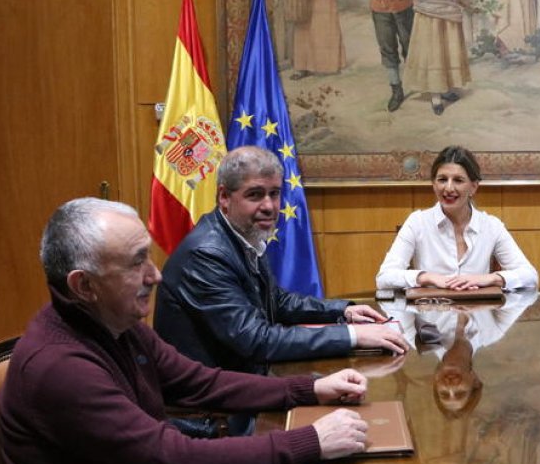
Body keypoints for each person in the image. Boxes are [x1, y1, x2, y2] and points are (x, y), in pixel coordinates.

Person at [0, 198, 373, 464]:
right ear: (84, 285)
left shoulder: (116, 325)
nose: (155, 275)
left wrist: (309, 389)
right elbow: (175, 458)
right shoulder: (60, 368)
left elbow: (201, 383)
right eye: (136, 262)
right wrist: (311, 442)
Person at [155, 146, 407, 376]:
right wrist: (352, 336)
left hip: (242, 379)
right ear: (224, 197)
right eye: (255, 195)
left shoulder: (242, 234)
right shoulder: (206, 255)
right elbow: (255, 340)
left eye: (274, 194)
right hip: (211, 411)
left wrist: (341, 311)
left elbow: (276, 301)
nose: (269, 206)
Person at [376, 146, 538, 291]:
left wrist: (490, 279)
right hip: (430, 319)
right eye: (442, 180)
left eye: (458, 180)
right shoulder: (417, 222)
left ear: (473, 187)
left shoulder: (492, 226)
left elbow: (530, 276)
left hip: (478, 318)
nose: (449, 188)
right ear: (433, 184)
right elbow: (384, 277)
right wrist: (426, 277)